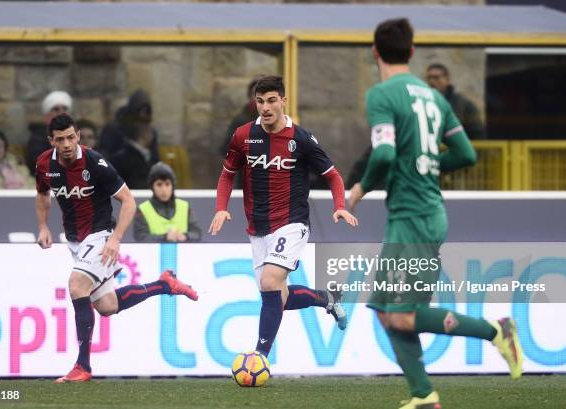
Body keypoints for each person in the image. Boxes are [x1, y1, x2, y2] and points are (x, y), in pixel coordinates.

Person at [348, 18, 522, 409]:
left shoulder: (381, 95)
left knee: (405, 316)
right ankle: (424, 395)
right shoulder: (435, 97)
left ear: (375, 52)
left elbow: (386, 154)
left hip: (415, 217)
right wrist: (426, 163)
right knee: (381, 307)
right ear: (411, 53)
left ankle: (496, 331)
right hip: (419, 213)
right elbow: (466, 154)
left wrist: (359, 188)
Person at [35, 113, 198, 383]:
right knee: (107, 306)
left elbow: (129, 201)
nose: (67, 144)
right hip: (75, 240)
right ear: (51, 140)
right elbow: (42, 195)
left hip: (100, 235)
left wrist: (115, 238)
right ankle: (164, 284)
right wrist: (42, 226)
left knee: (77, 286)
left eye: (71, 137)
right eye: (60, 139)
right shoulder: (43, 164)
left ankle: (82, 366)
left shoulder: (95, 163)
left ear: (77, 136)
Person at [209, 75, 358, 360]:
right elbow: (227, 174)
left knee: (269, 283)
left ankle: (260, 357)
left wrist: (340, 205)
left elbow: (333, 176)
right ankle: (327, 298)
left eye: (272, 101)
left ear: (283, 101)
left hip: (291, 222)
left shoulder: (300, 139)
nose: (265, 107)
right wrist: (220, 207)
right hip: (258, 228)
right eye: (260, 101)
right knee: (279, 297)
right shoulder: (242, 135)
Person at [134, 162, 202, 242]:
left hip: (182, 254)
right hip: (153, 254)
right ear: (152, 187)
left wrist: (185, 236)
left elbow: (197, 233)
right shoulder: (143, 209)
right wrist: (165, 237)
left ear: (173, 186)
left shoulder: (185, 207)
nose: (164, 189)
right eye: (159, 184)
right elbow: (141, 237)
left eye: (167, 184)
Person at [426, 63, 486, 139]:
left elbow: (477, 133)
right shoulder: (423, 102)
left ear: (447, 79)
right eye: (429, 78)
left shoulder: (464, 104)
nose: (432, 81)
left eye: (436, 77)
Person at [99, 89, 160, 163]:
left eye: (146, 111)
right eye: (139, 110)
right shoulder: (113, 129)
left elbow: (155, 159)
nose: (142, 115)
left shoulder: (150, 133)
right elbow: (105, 157)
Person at [26, 90, 73, 174]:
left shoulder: (75, 133)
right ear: (48, 114)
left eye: (64, 109)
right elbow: (37, 162)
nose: (61, 113)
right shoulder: (38, 137)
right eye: (56, 109)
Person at [110, 123, 158, 189]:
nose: (153, 136)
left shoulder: (149, 154)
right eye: (150, 132)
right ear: (143, 134)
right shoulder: (123, 157)